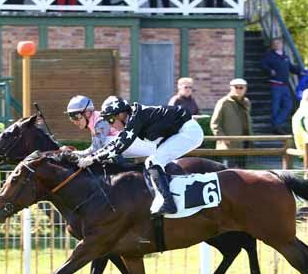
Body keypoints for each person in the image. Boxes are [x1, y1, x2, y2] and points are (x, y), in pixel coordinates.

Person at [70, 96, 204, 216]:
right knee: (153, 162)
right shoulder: (132, 117)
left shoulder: (135, 119)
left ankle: (169, 203)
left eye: (111, 120)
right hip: (180, 131)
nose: (111, 125)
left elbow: (119, 147)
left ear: (121, 114)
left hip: (188, 132)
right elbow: (117, 143)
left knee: (153, 162)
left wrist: (91, 159)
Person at [260, 38, 302, 134]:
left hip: (285, 85)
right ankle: (276, 127)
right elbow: (262, 64)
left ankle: (276, 124)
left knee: (288, 105)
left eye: (279, 43)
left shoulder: (285, 57)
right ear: (272, 45)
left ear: (282, 44)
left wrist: (301, 71)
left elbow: (291, 68)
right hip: (275, 85)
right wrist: (270, 70)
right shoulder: (269, 56)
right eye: (275, 43)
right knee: (276, 106)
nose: (277, 45)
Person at [209, 78, 252, 168]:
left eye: (241, 87)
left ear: (245, 89)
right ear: (231, 88)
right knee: (228, 172)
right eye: (236, 87)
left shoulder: (246, 102)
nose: (239, 90)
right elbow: (214, 124)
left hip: (244, 143)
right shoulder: (224, 102)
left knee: (243, 172)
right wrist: (223, 138)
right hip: (228, 145)